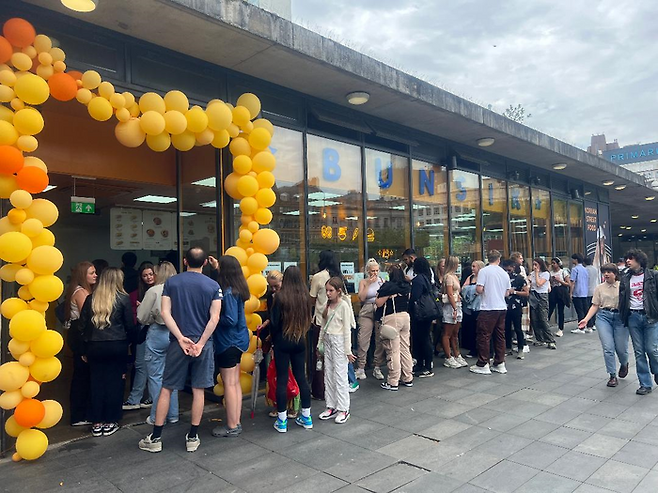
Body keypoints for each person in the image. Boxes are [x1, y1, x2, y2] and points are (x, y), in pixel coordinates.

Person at [139, 247, 222, 453]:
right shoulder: (213, 285)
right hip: (203, 344)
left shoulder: (171, 282)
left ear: (185, 261)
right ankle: (193, 436)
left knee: (167, 387)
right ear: (204, 263)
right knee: (198, 389)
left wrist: (180, 338)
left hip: (178, 343)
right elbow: (215, 318)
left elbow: (165, 313)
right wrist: (201, 343)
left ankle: (156, 437)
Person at [78, 268, 136, 437]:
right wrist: (131, 343)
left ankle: (97, 422)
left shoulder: (91, 298)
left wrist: (84, 349)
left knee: (96, 383)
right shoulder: (123, 298)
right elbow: (129, 325)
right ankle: (111, 420)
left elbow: (82, 326)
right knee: (115, 384)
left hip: (95, 346)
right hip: (117, 345)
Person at [209, 255, 250, 438]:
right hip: (239, 341)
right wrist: (216, 266)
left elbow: (230, 319)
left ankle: (232, 425)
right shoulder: (239, 288)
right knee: (234, 383)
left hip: (227, 341)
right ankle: (236, 421)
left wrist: (214, 318)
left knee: (229, 384)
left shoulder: (227, 292)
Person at [269, 266, 313, 432]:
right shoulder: (305, 297)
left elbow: (274, 323)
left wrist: (273, 342)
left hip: (282, 341)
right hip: (299, 340)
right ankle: (306, 416)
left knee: (281, 379)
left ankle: (282, 421)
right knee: (301, 377)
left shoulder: (280, 297)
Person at [137, 261, 179, 426]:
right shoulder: (180, 290)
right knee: (173, 375)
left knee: (155, 376)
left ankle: (157, 416)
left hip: (157, 333)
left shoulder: (153, 291)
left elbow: (141, 317)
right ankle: (173, 414)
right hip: (176, 333)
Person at [577, 263, 629, 387]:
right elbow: (595, 305)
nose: (606, 274)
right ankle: (612, 375)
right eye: (604, 272)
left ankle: (624, 363)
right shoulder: (599, 288)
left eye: (609, 272)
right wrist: (586, 319)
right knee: (608, 348)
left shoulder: (623, 286)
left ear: (615, 274)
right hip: (604, 317)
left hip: (620, 318)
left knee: (621, 348)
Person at [618, 249, 658, 396]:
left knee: (652, 349)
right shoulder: (625, 277)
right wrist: (623, 315)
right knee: (639, 351)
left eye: (631, 258)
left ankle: (657, 370)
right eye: (627, 258)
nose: (628, 261)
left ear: (639, 260)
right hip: (633, 316)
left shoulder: (653, 276)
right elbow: (622, 298)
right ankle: (645, 384)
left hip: (650, 316)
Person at [64, 261, 97, 426]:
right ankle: (79, 415)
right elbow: (88, 316)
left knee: (81, 374)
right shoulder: (81, 292)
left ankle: (80, 414)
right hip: (81, 336)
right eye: (92, 273)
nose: (95, 275)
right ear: (83, 275)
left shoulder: (78, 290)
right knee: (82, 375)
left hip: (77, 334)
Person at [318, 277, 355, 424]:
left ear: (338, 291)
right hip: (328, 341)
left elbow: (347, 329)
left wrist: (348, 350)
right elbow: (322, 325)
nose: (328, 293)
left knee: (340, 376)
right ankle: (331, 405)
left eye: (331, 290)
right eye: (327, 290)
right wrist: (319, 343)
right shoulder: (328, 305)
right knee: (329, 374)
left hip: (339, 342)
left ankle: (343, 408)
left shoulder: (344, 306)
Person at [470, 250, 512, 375]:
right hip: (501, 307)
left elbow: (479, 288)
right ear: (499, 259)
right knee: (500, 336)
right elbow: (507, 292)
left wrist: (477, 292)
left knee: (484, 335)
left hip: (488, 307)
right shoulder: (504, 273)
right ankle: (500, 362)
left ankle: (483, 364)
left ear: (488, 258)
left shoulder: (484, 271)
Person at [123, 263, 156, 411]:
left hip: (156, 329)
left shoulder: (162, 290)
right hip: (142, 329)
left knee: (154, 365)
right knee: (142, 364)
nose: (148, 277)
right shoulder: (135, 294)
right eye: (145, 275)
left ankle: (147, 398)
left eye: (151, 274)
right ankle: (137, 398)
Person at [375, 264, 413, 390]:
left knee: (393, 350)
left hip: (392, 318)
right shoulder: (406, 286)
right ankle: (407, 377)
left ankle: (393, 381)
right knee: (405, 348)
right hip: (405, 317)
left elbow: (378, 303)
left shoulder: (389, 286)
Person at [355, 258, 385, 380]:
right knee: (363, 339)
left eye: (377, 270)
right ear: (368, 271)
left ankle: (377, 366)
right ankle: (361, 367)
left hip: (378, 309)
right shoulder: (363, 282)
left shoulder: (382, 281)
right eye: (372, 270)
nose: (375, 273)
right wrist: (368, 284)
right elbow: (361, 297)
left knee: (379, 339)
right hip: (367, 309)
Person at [410, 257, 436, 377]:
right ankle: (426, 364)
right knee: (425, 338)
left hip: (419, 314)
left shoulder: (417, 280)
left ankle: (425, 366)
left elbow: (414, 297)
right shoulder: (426, 278)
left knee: (421, 339)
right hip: (427, 313)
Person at [441, 256, 466, 369]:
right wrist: (454, 308)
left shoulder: (454, 276)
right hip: (451, 306)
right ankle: (448, 356)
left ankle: (456, 354)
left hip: (457, 304)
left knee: (455, 332)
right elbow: (450, 294)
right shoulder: (448, 277)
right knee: (448, 332)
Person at [503, 260, 528, 359]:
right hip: (505, 305)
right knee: (507, 328)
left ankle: (520, 348)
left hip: (516, 305)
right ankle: (508, 347)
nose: (507, 271)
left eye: (509, 268)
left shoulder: (520, 278)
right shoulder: (503, 277)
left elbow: (526, 293)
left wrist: (514, 292)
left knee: (518, 328)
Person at [529, 258, 556, 350]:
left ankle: (550, 340)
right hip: (533, 295)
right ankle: (540, 338)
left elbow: (539, 283)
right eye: (533, 265)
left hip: (542, 295)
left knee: (543, 318)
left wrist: (536, 273)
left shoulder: (545, 274)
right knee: (534, 319)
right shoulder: (531, 274)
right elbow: (529, 282)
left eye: (536, 264)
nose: (534, 267)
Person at [461, 260, 484, 358]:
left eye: (474, 266)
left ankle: (482, 350)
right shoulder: (470, 278)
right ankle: (473, 349)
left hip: (480, 306)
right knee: (472, 329)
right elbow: (463, 288)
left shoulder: (483, 278)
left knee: (481, 330)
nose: (472, 268)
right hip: (469, 307)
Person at [548, 258, 570, 337]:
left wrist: (559, 280)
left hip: (561, 292)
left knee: (561, 311)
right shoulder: (550, 273)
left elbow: (568, 283)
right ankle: (546, 327)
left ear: (558, 264)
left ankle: (561, 329)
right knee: (550, 309)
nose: (553, 265)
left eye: (554, 263)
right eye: (552, 263)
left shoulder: (563, 272)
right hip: (553, 292)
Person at [570, 253, 591, 334]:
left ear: (576, 260)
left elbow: (573, 282)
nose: (572, 260)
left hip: (577, 292)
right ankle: (588, 326)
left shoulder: (575, 269)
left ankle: (581, 327)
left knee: (579, 310)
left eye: (573, 259)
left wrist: (570, 293)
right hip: (584, 292)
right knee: (585, 309)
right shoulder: (584, 269)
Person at [584, 256, 600, 331]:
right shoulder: (595, 269)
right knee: (593, 307)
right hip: (594, 289)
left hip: (587, 291)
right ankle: (593, 324)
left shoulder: (585, 270)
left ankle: (589, 325)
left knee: (588, 309)